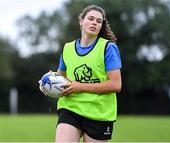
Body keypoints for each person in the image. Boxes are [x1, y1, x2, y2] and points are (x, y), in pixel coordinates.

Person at [41, 4, 122, 142]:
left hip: (99, 113)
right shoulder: (67, 48)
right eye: (91, 18)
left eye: (98, 21)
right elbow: (61, 77)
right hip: (70, 108)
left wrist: (80, 87)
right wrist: (47, 82)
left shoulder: (108, 48)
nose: (94, 23)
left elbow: (116, 85)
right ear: (81, 21)